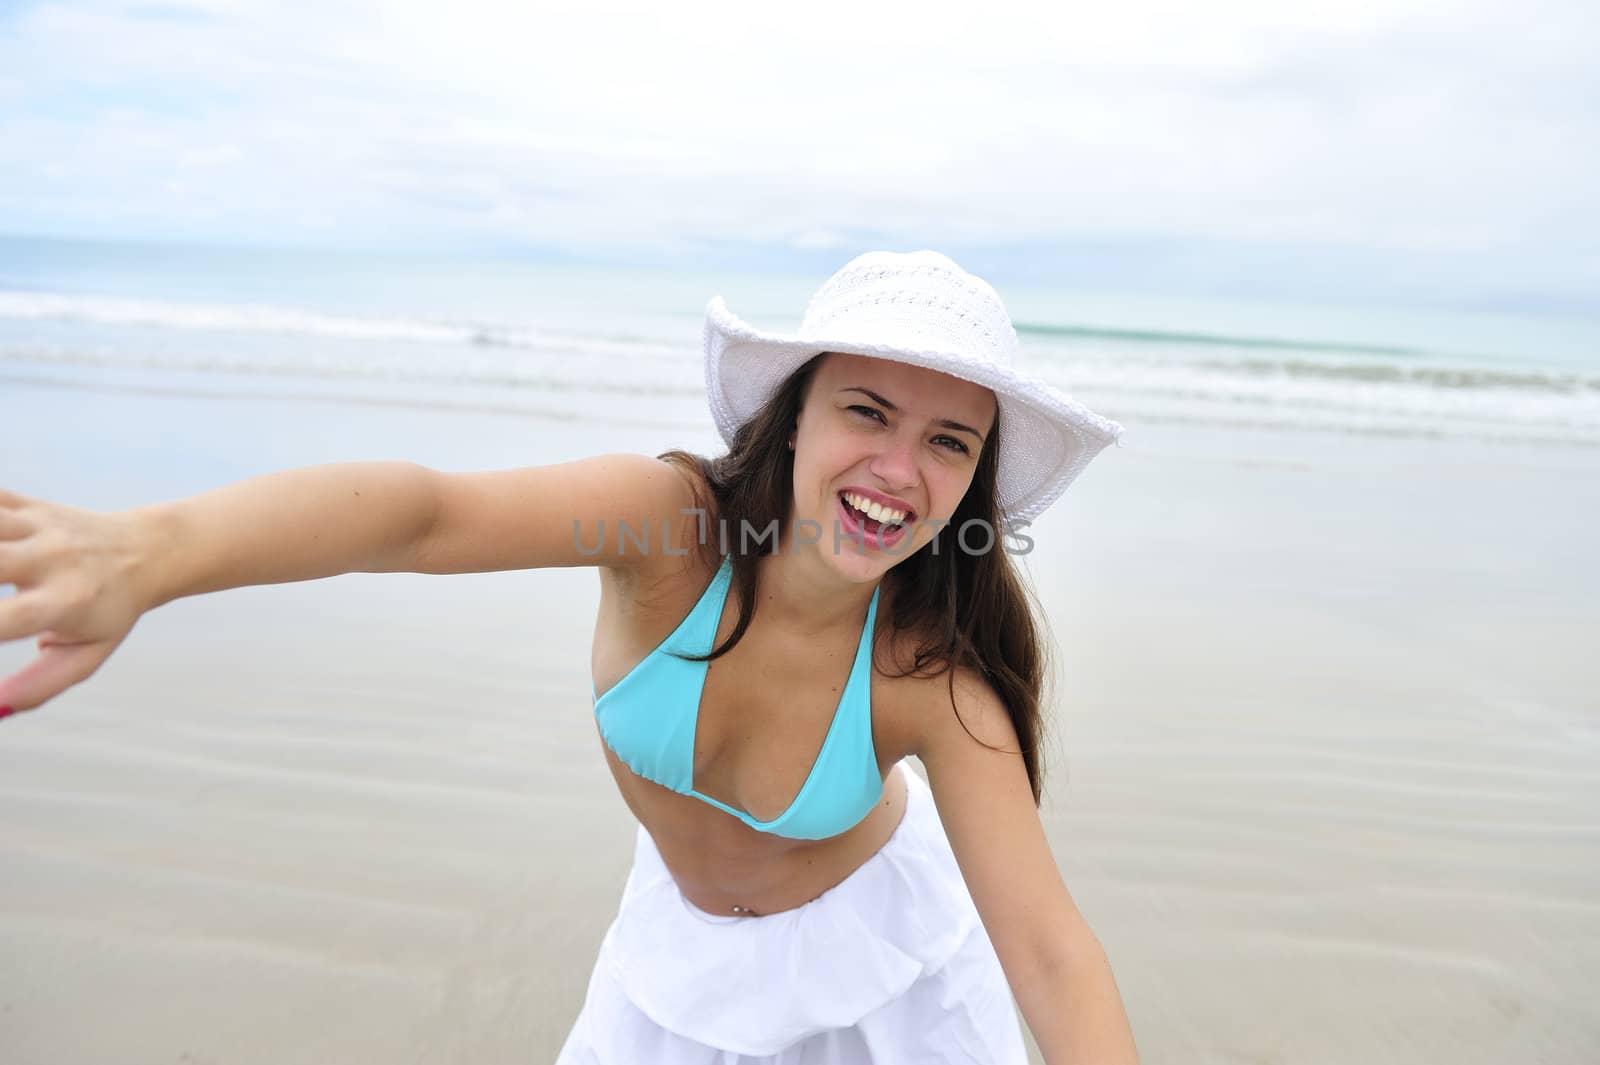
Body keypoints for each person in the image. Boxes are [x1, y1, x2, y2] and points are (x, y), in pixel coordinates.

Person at [0, 251, 1140, 1063]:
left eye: (948, 441)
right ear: (795, 416)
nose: (900, 467)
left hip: (884, 979)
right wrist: (151, 550)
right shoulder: (664, 531)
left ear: (974, 481)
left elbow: (1046, 951)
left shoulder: (929, 677)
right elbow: (422, 517)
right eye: (867, 412)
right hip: (676, 961)